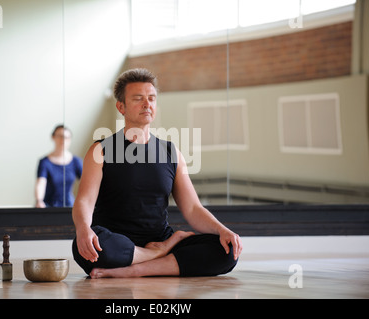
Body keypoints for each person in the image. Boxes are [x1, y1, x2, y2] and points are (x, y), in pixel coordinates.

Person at [72, 68, 242, 278]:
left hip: (159, 238)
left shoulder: (172, 153)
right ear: (121, 107)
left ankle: (135, 270)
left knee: (227, 250)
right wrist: (83, 229)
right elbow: (84, 202)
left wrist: (222, 230)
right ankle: (158, 255)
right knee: (91, 247)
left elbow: (192, 208)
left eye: (151, 98)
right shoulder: (101, 150)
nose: (147, 104)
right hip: (117, 242)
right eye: (138, 99)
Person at [35, 125, 82, 207]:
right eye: (60, 136)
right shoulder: (45, 162)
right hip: (48, 207)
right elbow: (41, 183)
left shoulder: (76, 161)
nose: (63, 140)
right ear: (53, 137)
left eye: (67, 137)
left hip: (69, 206)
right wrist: (39, 200)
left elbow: (86, 182)